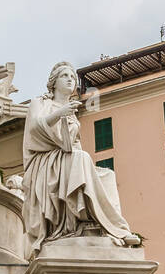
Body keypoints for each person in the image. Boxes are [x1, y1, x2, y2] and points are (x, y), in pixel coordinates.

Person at [22, 62, 140, 252]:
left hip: (67, 159)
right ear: (54, 82)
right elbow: (35, 130)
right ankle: (94, 223)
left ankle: (112, 228)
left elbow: (73, 145)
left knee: (107, 175)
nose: (70, 79)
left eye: (72, 77)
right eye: (65, 76)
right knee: (81, 158)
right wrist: (60, 113)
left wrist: (67, 117)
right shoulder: (40, 103)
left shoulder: (72, 113)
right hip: (44, 162)